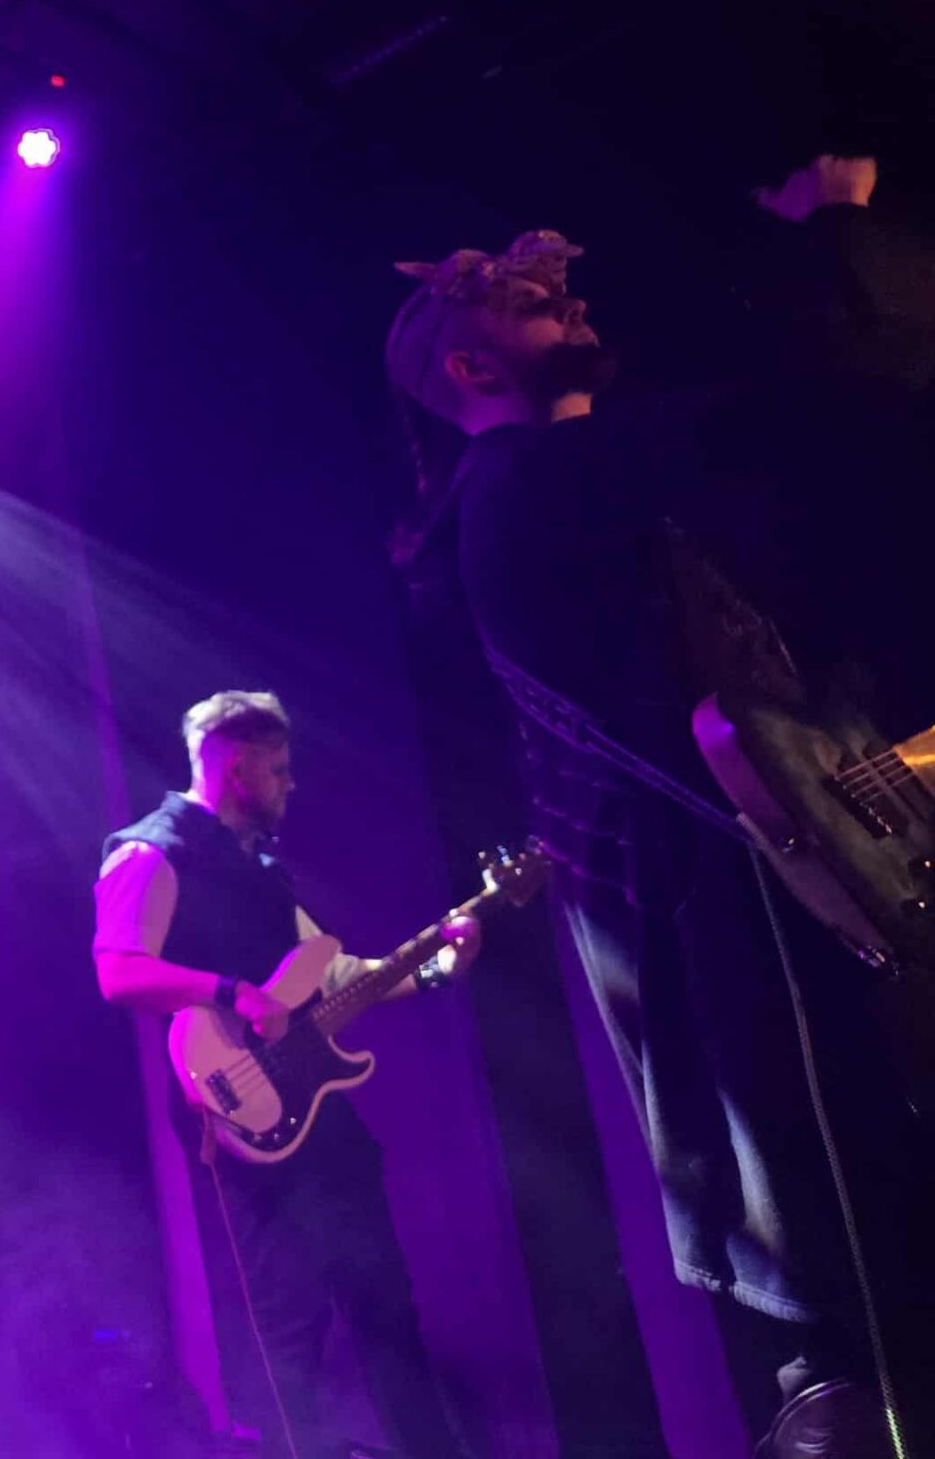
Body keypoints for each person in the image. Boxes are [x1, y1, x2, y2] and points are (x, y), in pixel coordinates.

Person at [384, 154, 935, 1451]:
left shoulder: (551, 483)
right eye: (535, 309)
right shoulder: (526, 485)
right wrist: (827, 232)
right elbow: (813, 400)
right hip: (737, 904)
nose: (574, 308)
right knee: (861, 1261)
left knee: (862, 1257)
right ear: (468, 366)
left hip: (745, 895)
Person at [95, 690, 478, 1459]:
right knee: (289, 1327)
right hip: (237, 1116)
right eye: (277, 769)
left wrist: (436, 966)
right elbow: (119, 969)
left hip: (316, 1110)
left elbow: (330, 975)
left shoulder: (260, 868)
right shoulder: (151, 853)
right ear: (235, 768)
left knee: (386, 1308)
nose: (289, 785)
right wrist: (233, 993)